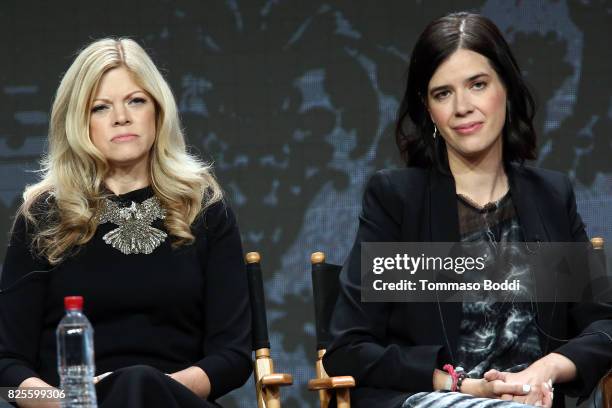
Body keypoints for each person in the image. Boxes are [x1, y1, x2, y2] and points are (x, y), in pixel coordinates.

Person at [322, 12, 612, 408]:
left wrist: (543, 371)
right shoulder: (398, 198)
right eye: (443, 93)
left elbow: (603, 324)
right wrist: (459, 385)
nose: (463, 107)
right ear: (427, 109)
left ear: (506, 88)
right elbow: (350, 347)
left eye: (478, 85)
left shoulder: (549, 196)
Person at [0, 38, 251, 407]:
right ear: (79, 122)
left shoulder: (204, 208)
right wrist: (71, 402)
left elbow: (234, 357)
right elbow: (6, 367)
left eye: (136, 100)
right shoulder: (44, 216)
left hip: (177, 402)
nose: (122, 117)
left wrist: (156, 389)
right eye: (101, 107)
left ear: (158, 111)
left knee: (139, 385)